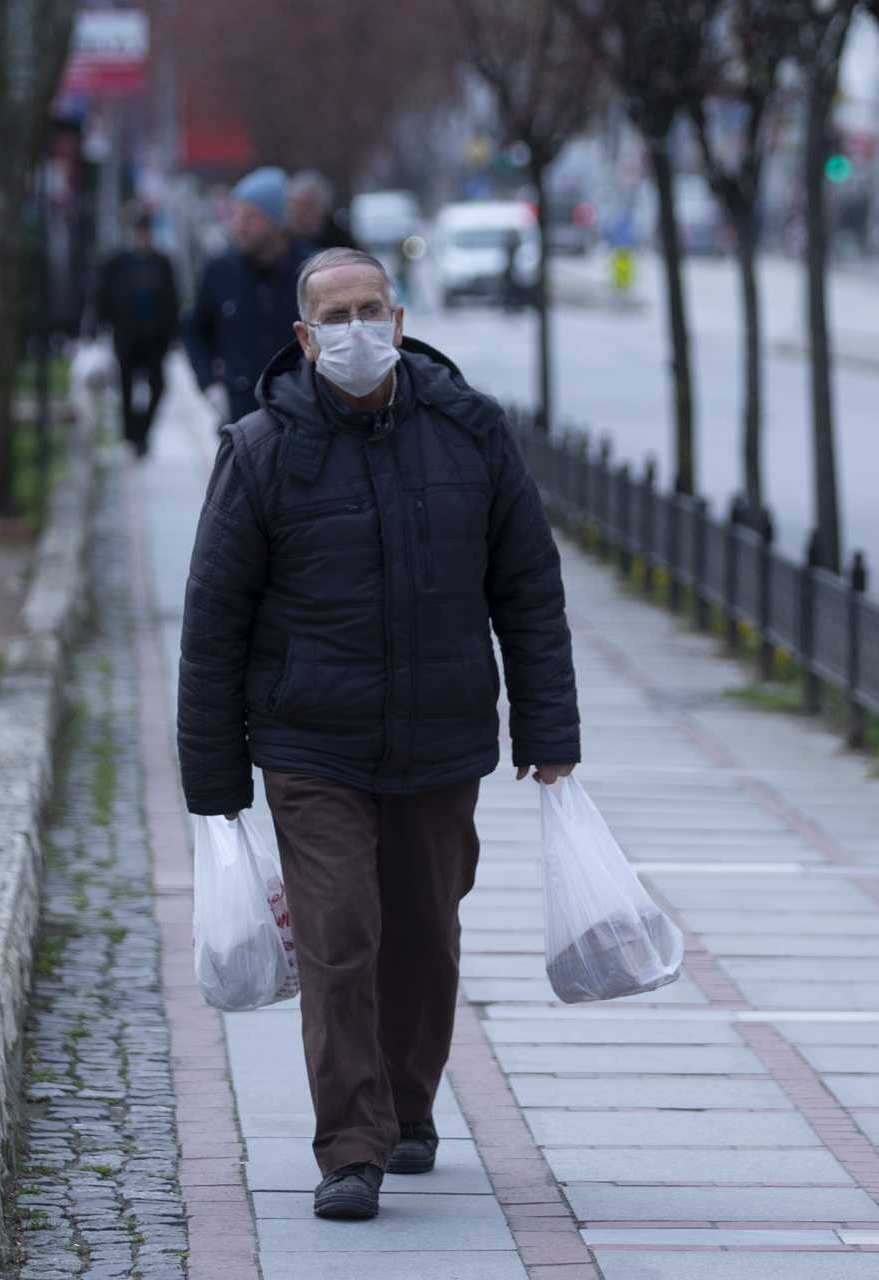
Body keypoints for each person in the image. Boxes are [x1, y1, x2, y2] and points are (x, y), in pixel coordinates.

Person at [177, 247, 580, 1222]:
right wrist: (214, 782)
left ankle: (408, 1104)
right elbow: (213, 622)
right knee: (340, 929)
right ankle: (349, 1143)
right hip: (312, 743)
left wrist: (548, 728)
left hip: (440, 739)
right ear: (307, 338)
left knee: (425, 934)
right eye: (335, 315)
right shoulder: (263, 449)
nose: (356, 329)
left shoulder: (471, 433)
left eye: (371, 309)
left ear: (398, 321)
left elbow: (527, 587)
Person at [183, 166, 314, 423]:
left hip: (303, 416)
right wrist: (209, 384)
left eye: (250, 217)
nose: (238, 226)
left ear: (277, 220)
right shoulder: (220, 270)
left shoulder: (313, 271)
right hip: (240, 417)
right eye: (235, 215)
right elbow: (194, 330)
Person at [96, 205, 181, 457]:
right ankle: (130, 434)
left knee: (158, 386)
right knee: (125, 388)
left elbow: (172, 300)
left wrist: (172, 335)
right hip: (126, 337)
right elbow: (104, 298)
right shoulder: (117, 263)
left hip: (155, 339)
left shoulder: (163, 263)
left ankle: (141, 432)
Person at [287, 170, 355, 251]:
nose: (298, 214)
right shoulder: (284, 243)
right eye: (294, 207)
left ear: (323, 210)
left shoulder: (341, 244)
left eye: (307, 208)